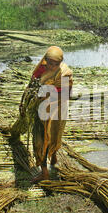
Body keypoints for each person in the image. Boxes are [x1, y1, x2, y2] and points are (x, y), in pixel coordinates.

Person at [31, 46, 73, 182]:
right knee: (40, 138)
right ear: (45, 60)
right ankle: (44, 172)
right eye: (50, 63)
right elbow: (32, 86)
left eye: (56, 64)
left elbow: (67, 94)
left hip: (58, 109)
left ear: (61, 62)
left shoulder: (65, 73)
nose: (53, 67)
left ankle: (53, 157)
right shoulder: (41, 70)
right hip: (42, 110)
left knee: (55, 134)